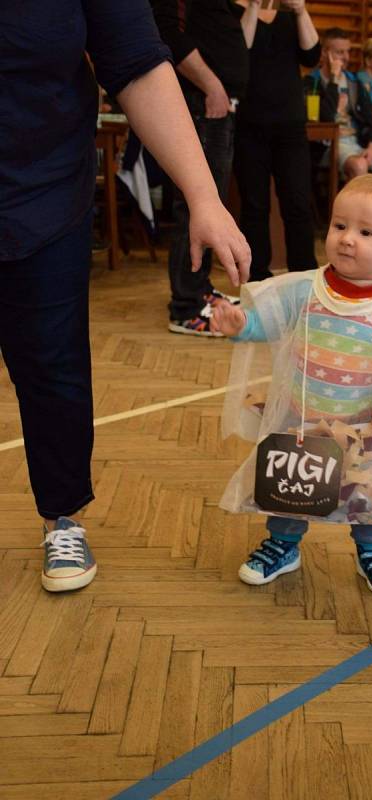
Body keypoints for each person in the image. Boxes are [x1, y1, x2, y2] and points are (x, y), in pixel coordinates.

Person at [0, 0, 250, 593]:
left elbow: (138, 63)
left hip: (40, 196)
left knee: (52, 367)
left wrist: (203, 196)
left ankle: (63, 515)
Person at [211, 175, 372, 596]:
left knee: (371, 494)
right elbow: (270, 323)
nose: (346, 239)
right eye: (339, 226)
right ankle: (283, 543)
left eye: (365, 232)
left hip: (368, 429)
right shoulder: (304, 290)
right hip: (304, 422)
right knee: (290, 488)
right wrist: (242, 324)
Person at [150, 0, 250, 336]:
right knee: (195, 204)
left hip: (217, 105)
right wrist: (212, 85)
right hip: (201, 100)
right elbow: (167, 33)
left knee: (212, 206)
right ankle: (186, 306)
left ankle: (199, 289)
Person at [232, 0, 320, 282]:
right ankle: (257, 278)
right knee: (254, 206)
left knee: (297, 203)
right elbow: (237, 52)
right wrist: (255, 6)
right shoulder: (234, 11)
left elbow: (312, 55)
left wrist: (301, 10)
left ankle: (304, 276)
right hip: (248, 125)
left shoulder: (289, 16)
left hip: (290, 127)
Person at [304, 29, 372, 183]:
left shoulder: (354, 82)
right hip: (328, 145)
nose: (346, 58)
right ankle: (357, 207)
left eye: (348, 51)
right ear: (324, 53)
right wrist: (334, 80)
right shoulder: (312, 82)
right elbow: (325, 118)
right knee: (359, 166)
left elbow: (370, 121)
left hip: (358, 141)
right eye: (340, 52)